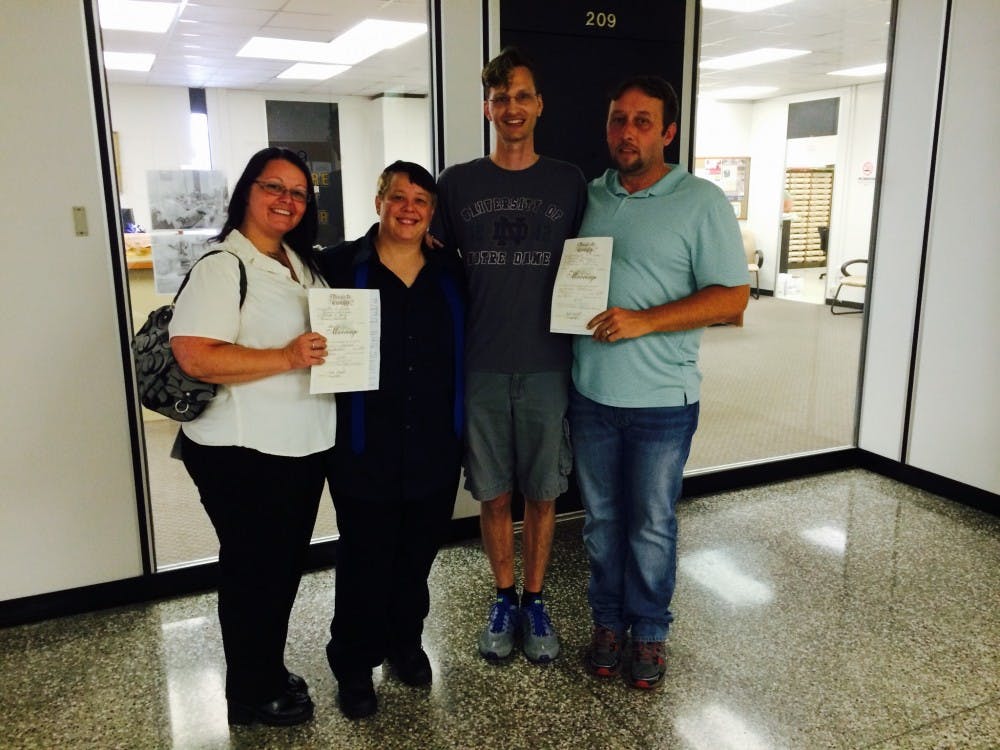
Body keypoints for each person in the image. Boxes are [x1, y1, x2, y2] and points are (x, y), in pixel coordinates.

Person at [569, 75, 750, 689]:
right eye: (619, 119)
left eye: (643, 121)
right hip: (590, 392)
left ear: (668, 131)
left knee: (650, 524)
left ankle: (649, 633)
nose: (628, 132)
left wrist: (645, 321)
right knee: (599, 521)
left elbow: (733, 299)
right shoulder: (590, 195)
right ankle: (607, 623)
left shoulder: (701, 200)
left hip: (661, 404)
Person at [170, 147, 335, 726]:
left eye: (298, 192)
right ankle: (248, 692)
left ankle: (264, 666)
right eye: (274, 188)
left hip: (298, 446)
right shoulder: (223, 265)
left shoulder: (300, 262)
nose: (287, 200)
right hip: (242, 451)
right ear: (247, 192)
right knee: (252, 570)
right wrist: (287, 357)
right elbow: (195, 355)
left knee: (280, 566)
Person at [435, 47, 587, 664]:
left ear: (539, 103)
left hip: (550, 364)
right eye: (501, 99)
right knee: (494, 493)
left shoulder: (568, 181)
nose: (513, 108)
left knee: (544, 492)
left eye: (522, 96)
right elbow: (431, 263)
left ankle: (536, 598)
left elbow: (594, 261)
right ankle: (502, 597)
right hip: (482, 364)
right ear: (488, 108)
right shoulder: (458, 183)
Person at [317, 161, 464, 719]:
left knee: (415, 558)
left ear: (431, 212)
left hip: (434, 445)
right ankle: (353, 662)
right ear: (378, 200)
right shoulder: (336, 267)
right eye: (398, 196)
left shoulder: (452, 271)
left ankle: (405, 642)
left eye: (420, 200)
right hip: (361, 446)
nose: (408, 208)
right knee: (363, 560)